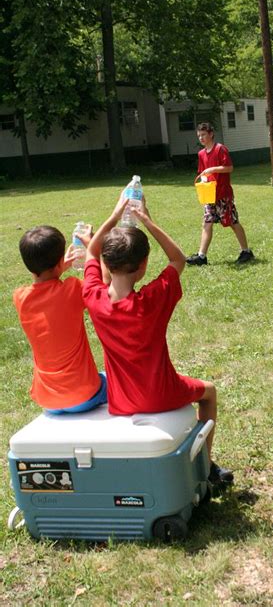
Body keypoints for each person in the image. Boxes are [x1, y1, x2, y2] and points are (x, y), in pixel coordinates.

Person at [82, 197, 233, 488]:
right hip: (161, 395)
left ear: (106, 263)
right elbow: (178, 259)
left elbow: (90, 250)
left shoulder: (94, 298)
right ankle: (206, 464)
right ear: (143, 265)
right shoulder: (151, 301)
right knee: (209, 392)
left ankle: (206, 464)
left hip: (121, 402)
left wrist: (114, 216)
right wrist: (148, 221)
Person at [13, 225, 107, 414]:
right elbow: (104, 284)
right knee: (113, 376)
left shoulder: (20, 297)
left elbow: (46, 289)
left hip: (48, 401)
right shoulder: (72, 289)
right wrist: (93, 253)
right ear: (60, 262)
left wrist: (57, 269)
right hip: (84, 395)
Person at [186, 122, 254, 266]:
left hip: (224, 194)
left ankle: (246, 251)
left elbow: (229, 168)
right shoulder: (201, 154)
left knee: (233, 222)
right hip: (210, 195)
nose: (201, 138)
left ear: (211, 134)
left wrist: (212, 169)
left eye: (203, 134)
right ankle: (201, 256)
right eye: (199, 135)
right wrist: (204, 180)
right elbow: (203, 173)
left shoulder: (220, 149)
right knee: (207, 223)